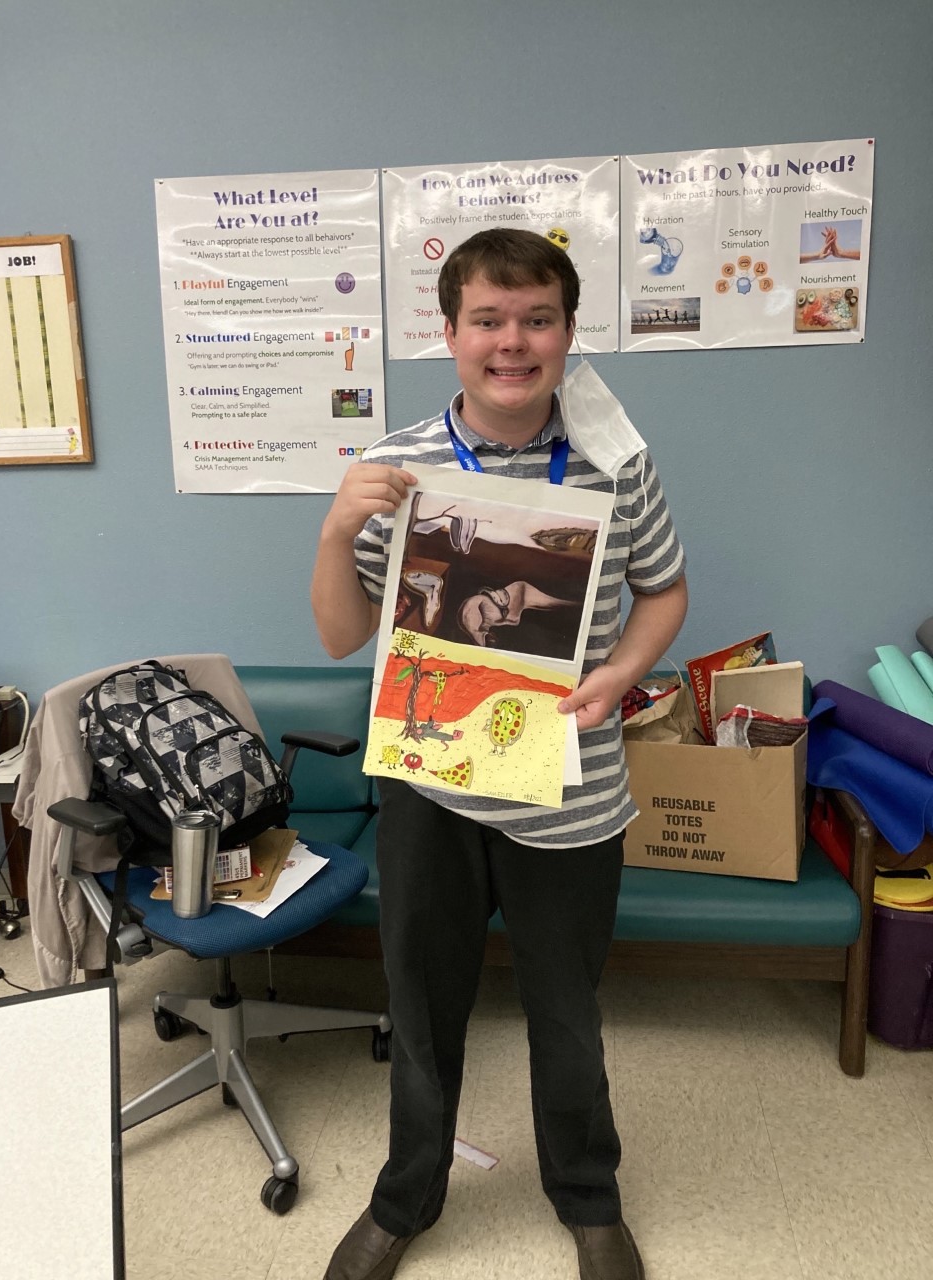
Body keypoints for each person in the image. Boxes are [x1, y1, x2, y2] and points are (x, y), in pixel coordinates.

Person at [311, 227, 688, 1280]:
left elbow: (666, 591)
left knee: (567, 1012)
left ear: (567, 332)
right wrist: (336, 532)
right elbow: (342, 634)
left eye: (537, 319)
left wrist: (620, 669)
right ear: (450, 332)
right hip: (432, 780)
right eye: (488, 319)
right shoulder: (401, 462)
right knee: (421, 1006)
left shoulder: (619, 461)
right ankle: (406, 1198)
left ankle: (589, 1198)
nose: (511, 342)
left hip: (568, 790)